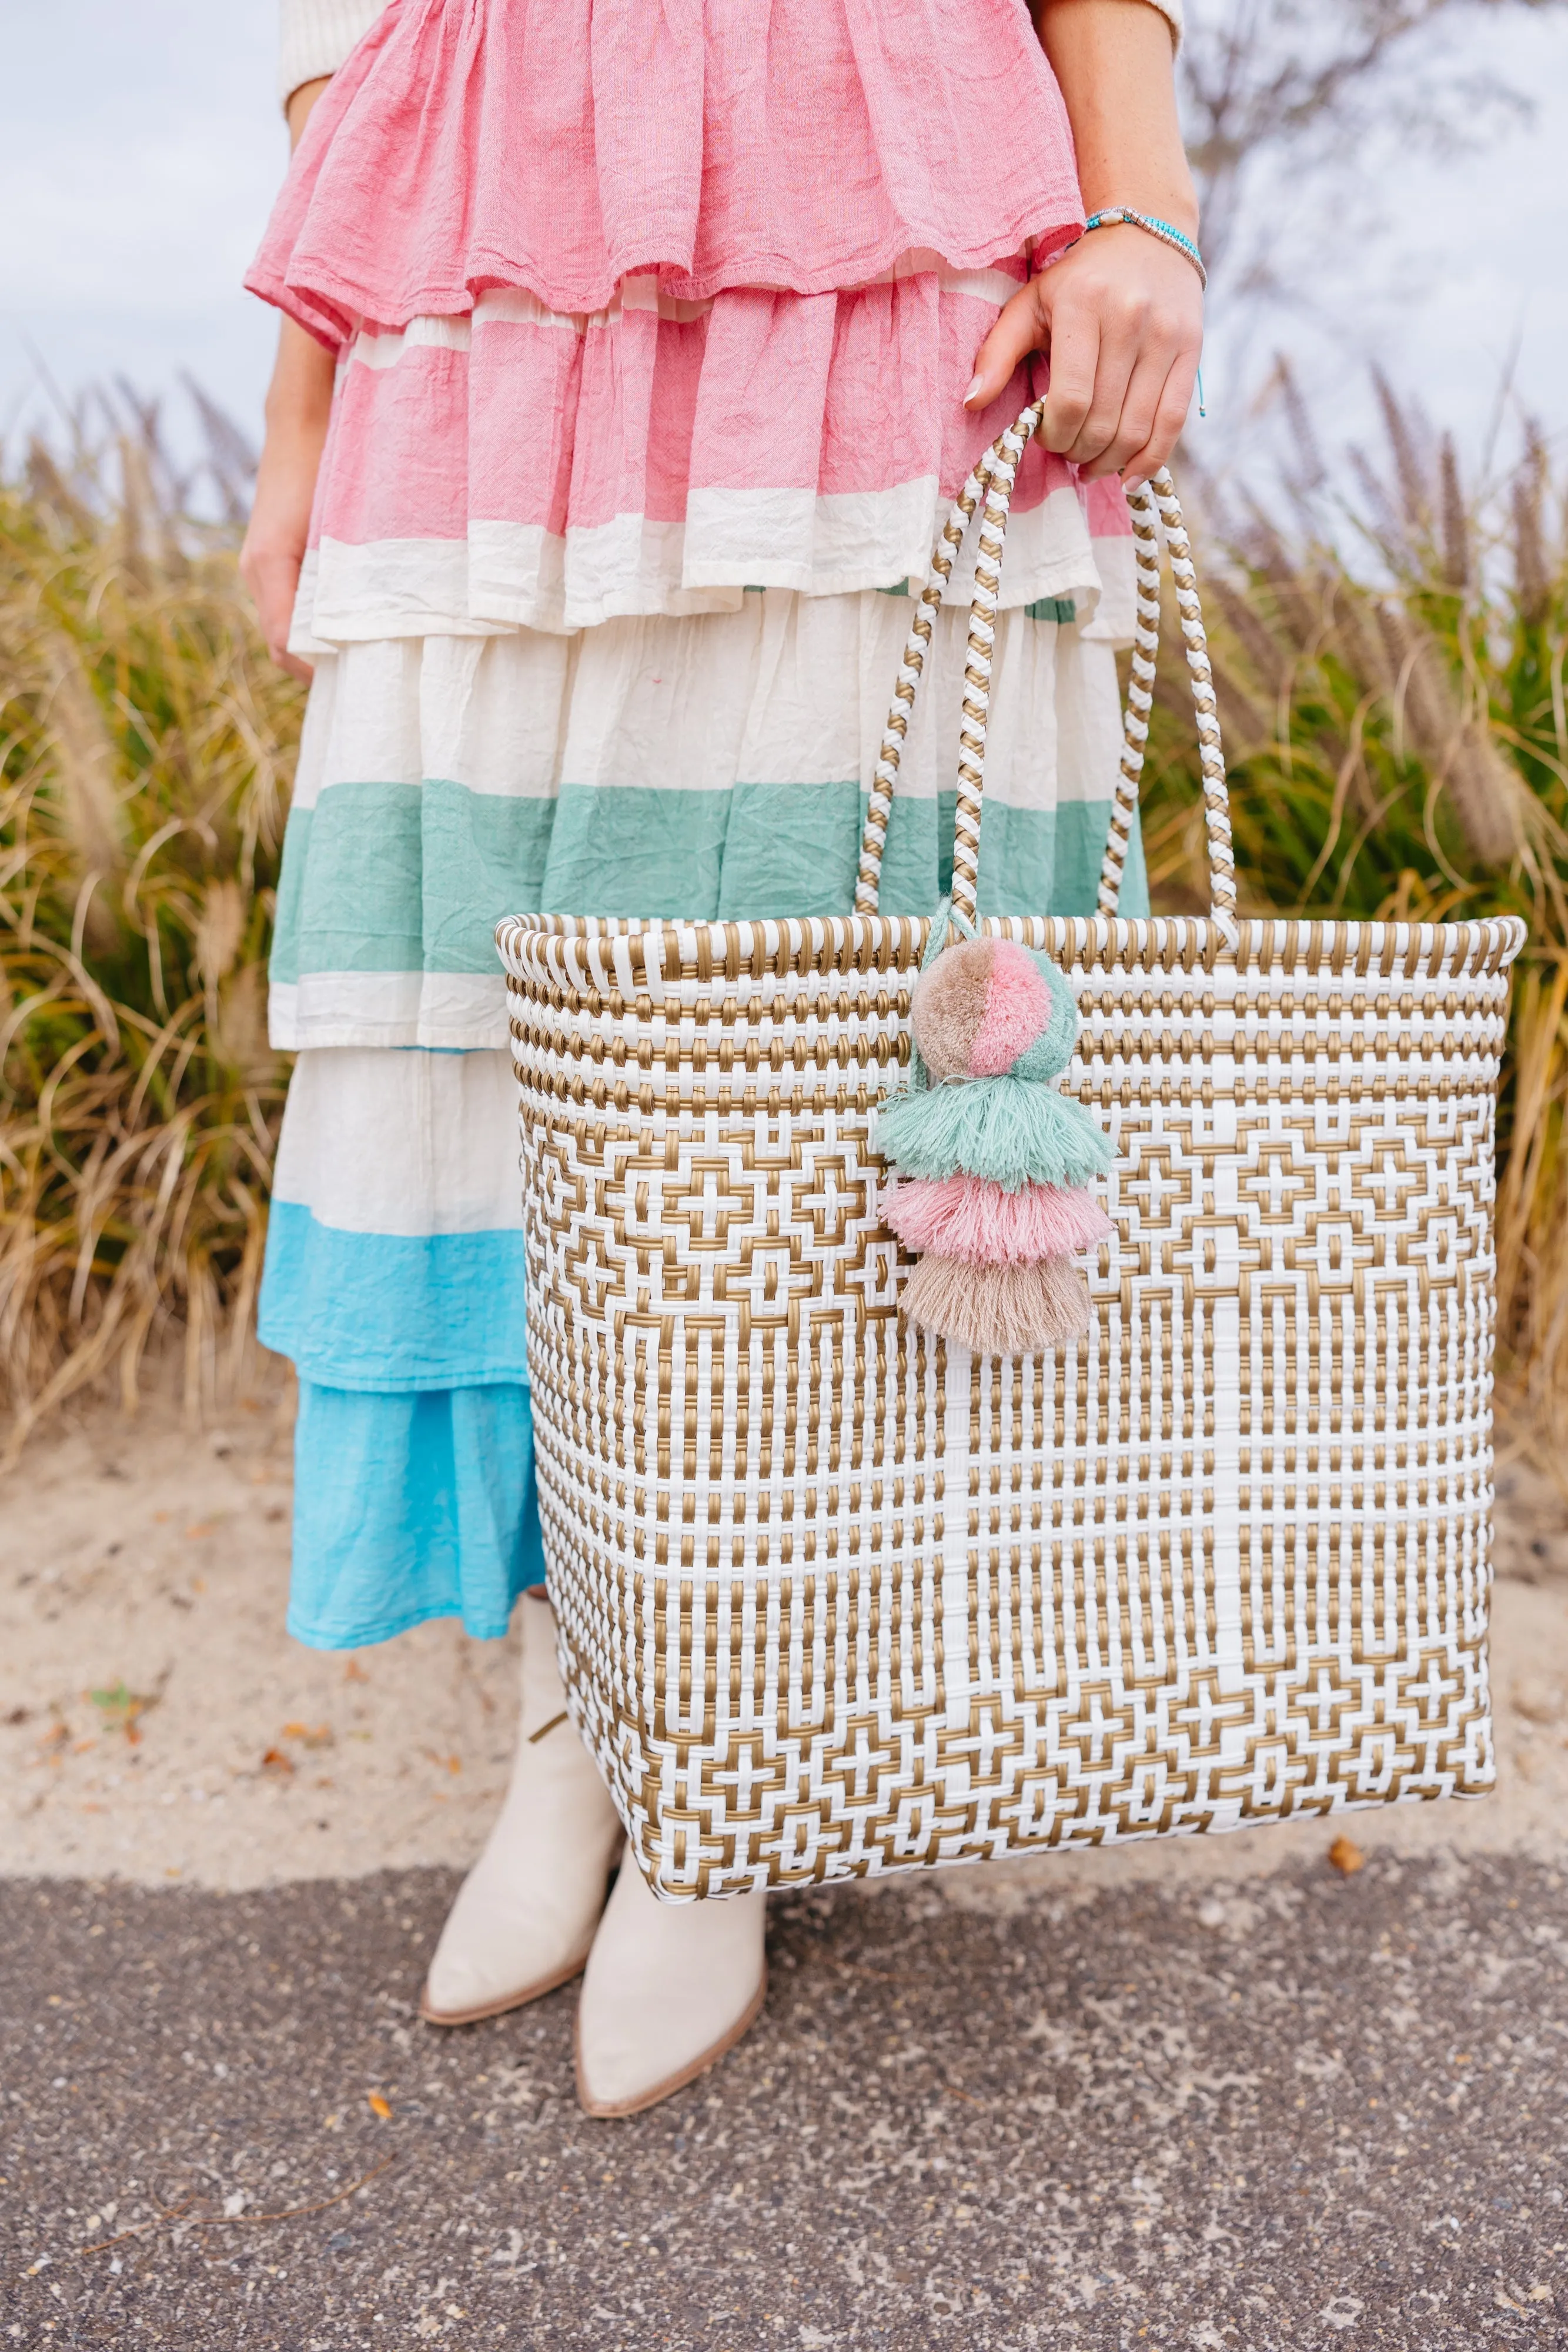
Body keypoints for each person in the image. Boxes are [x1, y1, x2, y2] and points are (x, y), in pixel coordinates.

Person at [242, 0, 1203, 2119]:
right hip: (472, 261)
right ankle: (577, 1715)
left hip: (871, 224)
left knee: (800, 996)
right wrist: (303, 409)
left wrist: (1139, 207)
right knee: (494, 1014)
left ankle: (730, 1735)